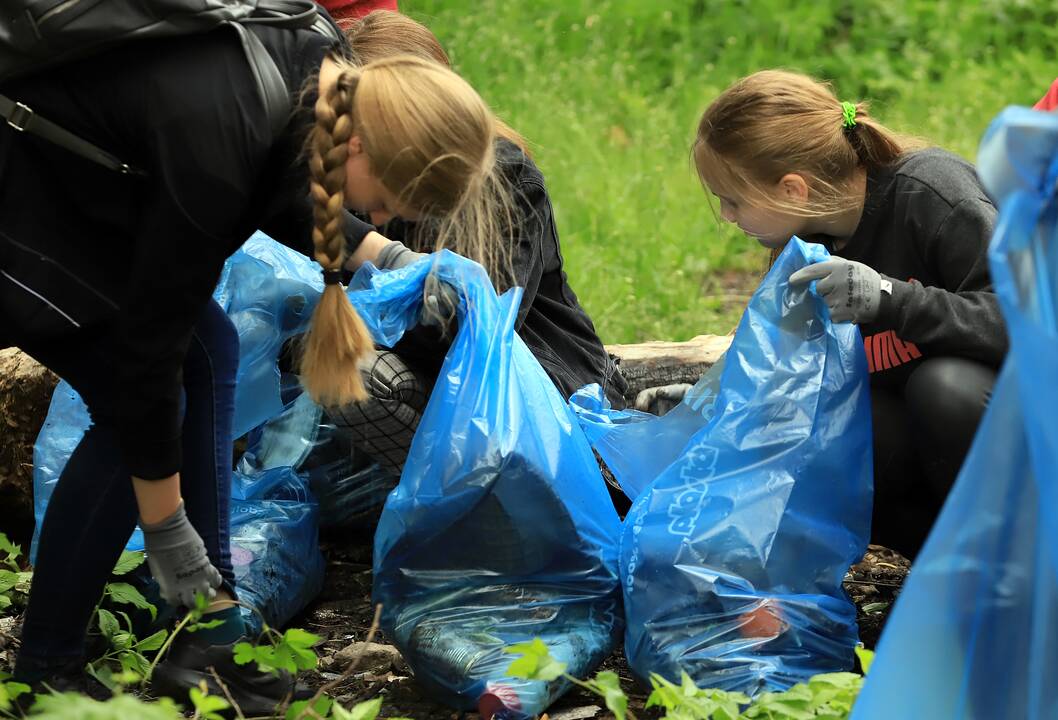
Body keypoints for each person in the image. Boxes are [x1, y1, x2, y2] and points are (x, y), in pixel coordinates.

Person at [0, 10, 536, 710]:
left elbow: (291, 181)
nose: (374, 218)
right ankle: (47, 672)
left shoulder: (325, 61)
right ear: (366, 152)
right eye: (385, 205)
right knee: (133, 400)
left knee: (209, 350)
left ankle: (210, 642)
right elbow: (146, 363)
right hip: (23, 195)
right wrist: (166, 531)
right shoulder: (216, 146)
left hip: (64, 178)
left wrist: (394, 261)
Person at [661, 69, 1006, 559]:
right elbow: (788, 370)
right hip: (942, 464)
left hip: (1021, 432)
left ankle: (1018, 571)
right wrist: (707, 404)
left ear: (792, 189)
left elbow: (1027, 323)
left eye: (732, 200)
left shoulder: (931, 194)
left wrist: (888, 298)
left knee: (943, 387)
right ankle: (943, 575)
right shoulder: (807, 244)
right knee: (846, 431)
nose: (728, 217)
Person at [316, 11, 628, 478]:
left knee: (358, 372)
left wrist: (359, 304)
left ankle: (472, 511)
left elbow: (473, 336)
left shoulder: (501, 179)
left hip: (528, 399)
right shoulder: (352, 170)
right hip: (439, 393)